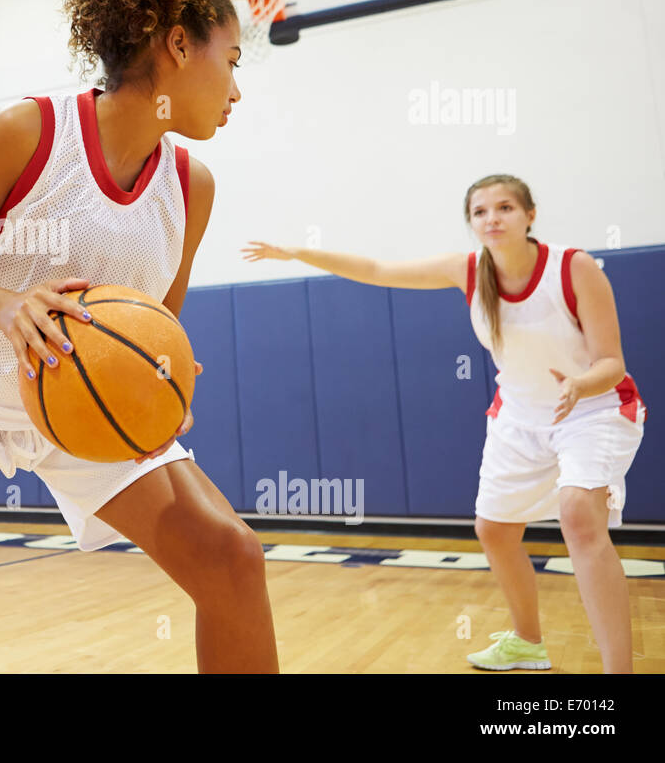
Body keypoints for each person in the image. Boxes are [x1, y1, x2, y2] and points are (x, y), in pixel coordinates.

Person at [0, 0, 278, 673]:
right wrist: (7, 304)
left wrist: (164, 378)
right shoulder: (26, 132)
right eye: (233, 60)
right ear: (179, 45)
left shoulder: (192, 186)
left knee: (231, 559)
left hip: (79, 401)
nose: (236, 90)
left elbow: (156, 322)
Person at [243, 173, 646, 673]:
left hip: (593, 408)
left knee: (579, 519)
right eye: (480, 212)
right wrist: (300, 254)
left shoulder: (574, 267)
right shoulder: (467, 271)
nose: (492, 218)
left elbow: (612, 363)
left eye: (504, 208)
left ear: (529, 215)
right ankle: (526, 642)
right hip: (519, 417)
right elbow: (376, 267)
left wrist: (580, 385)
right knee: (494, 530)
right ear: (471, 222)